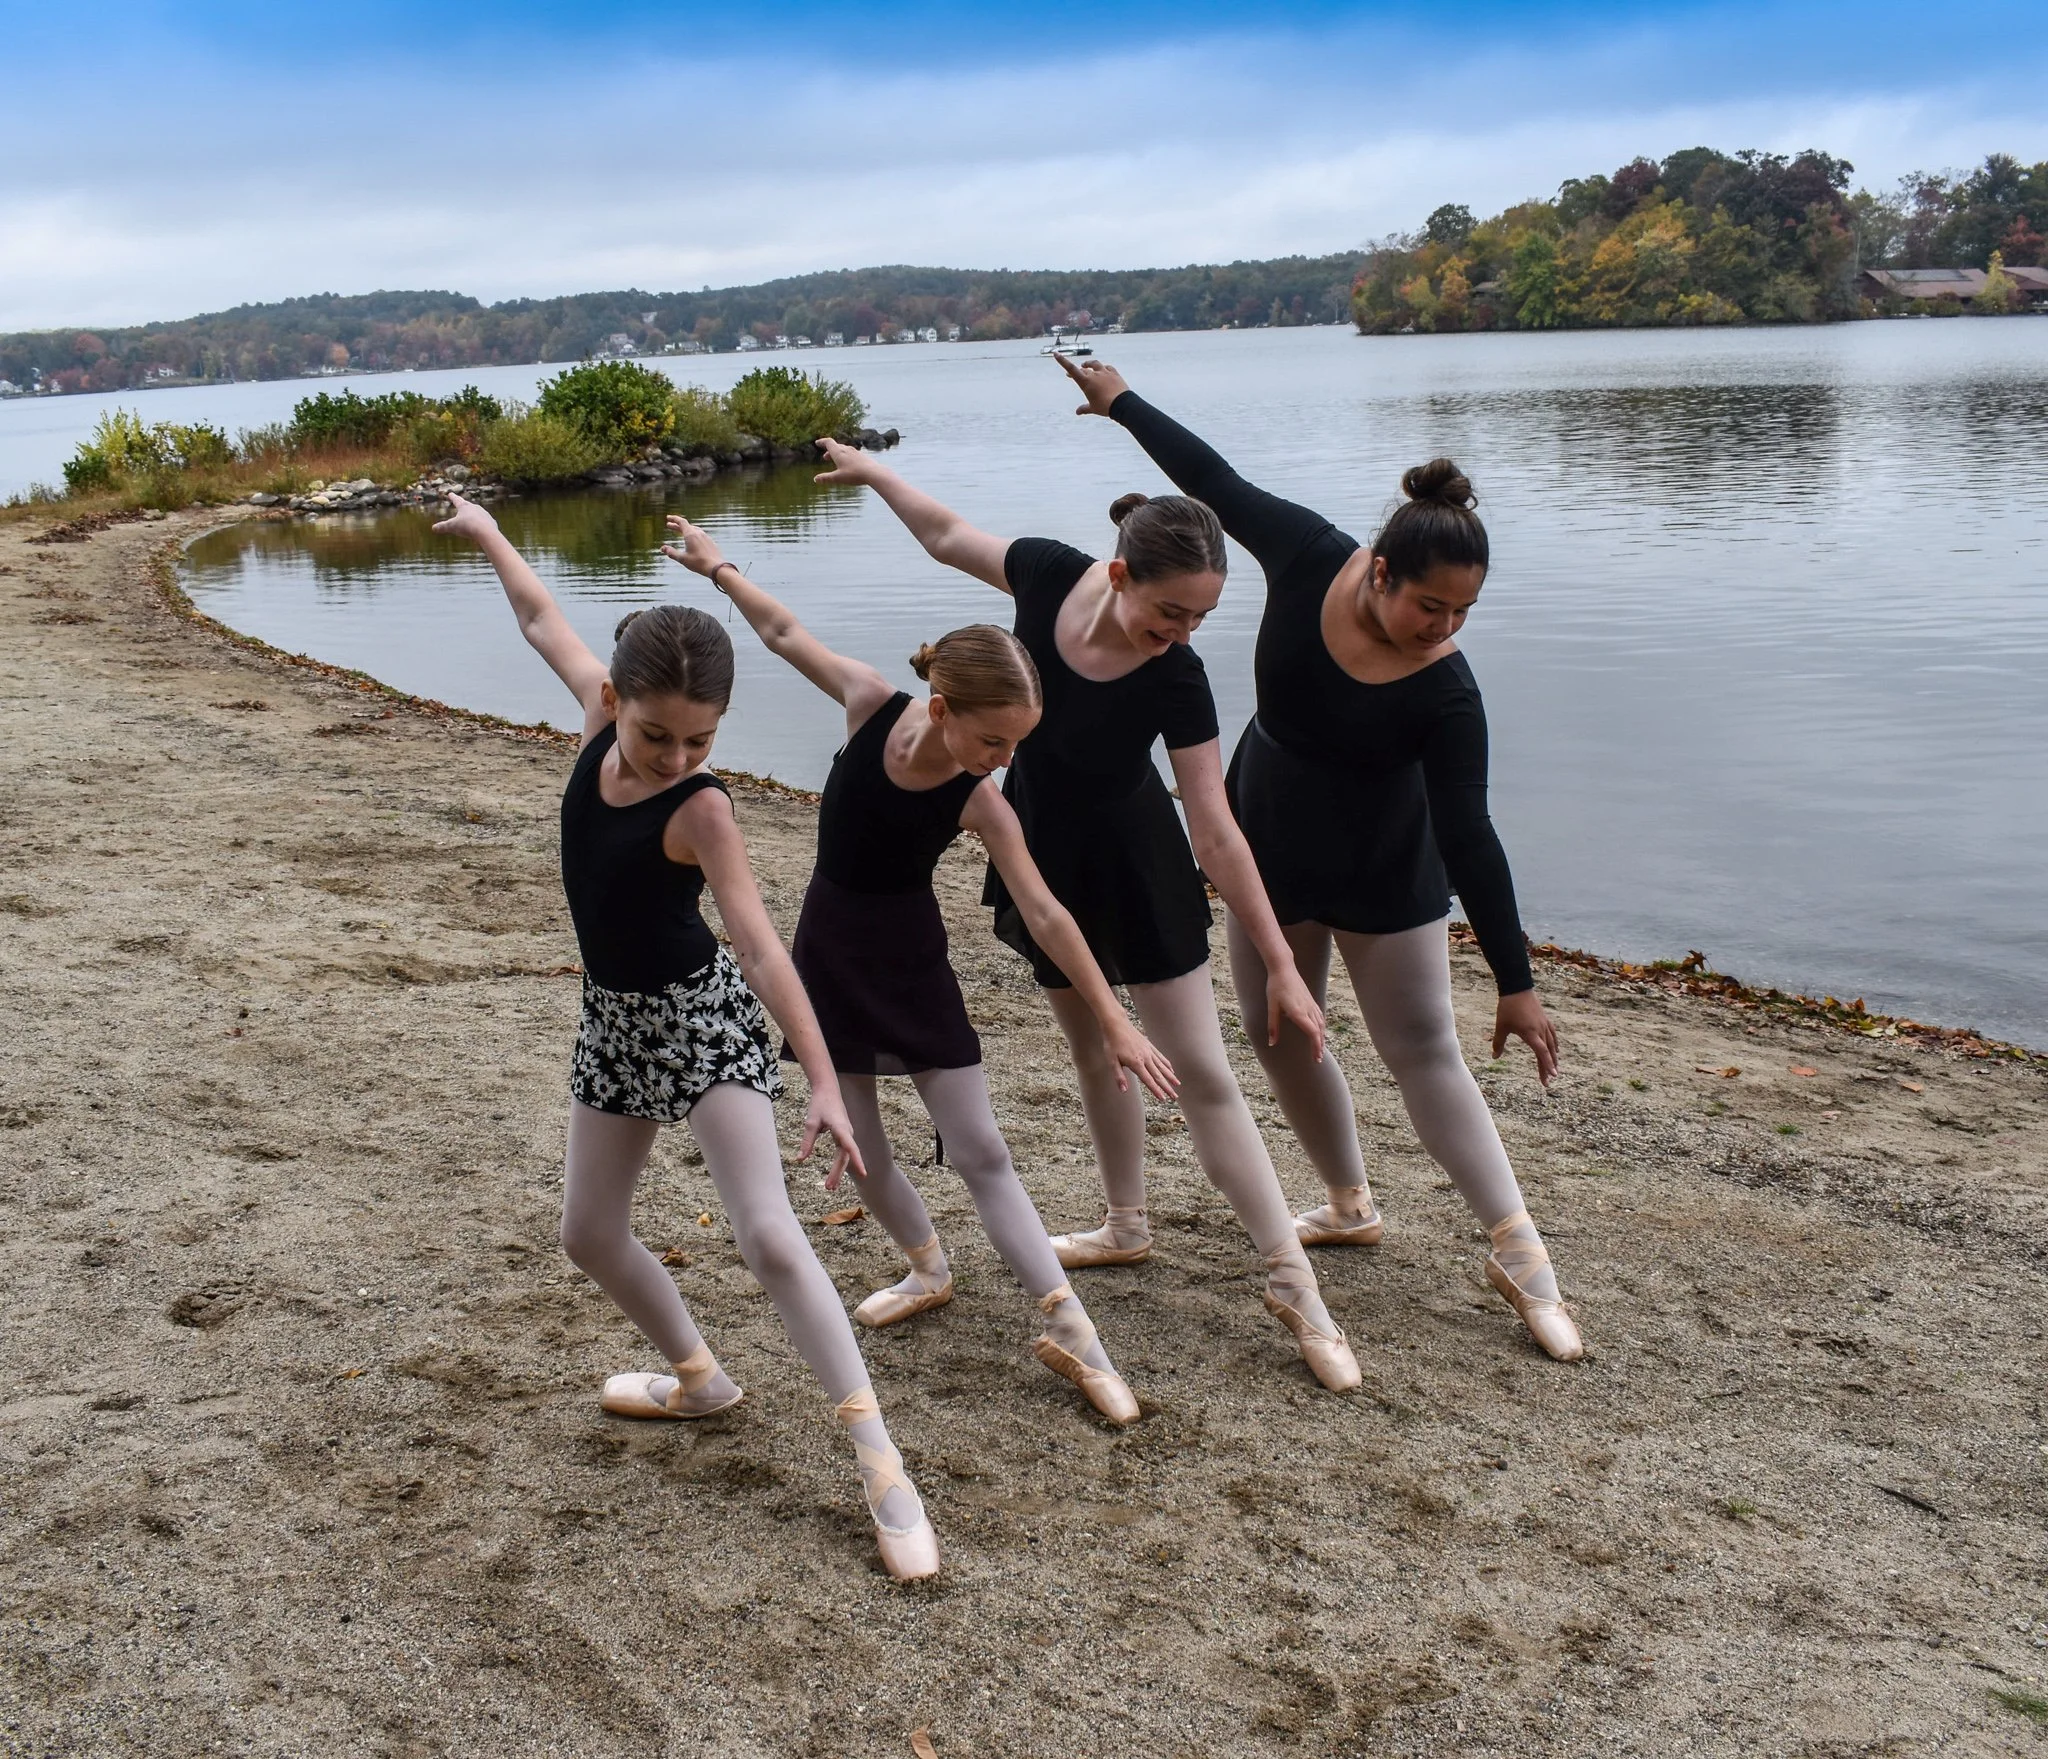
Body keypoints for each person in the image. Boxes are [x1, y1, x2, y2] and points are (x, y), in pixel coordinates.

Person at [433, 491, 940, 1581]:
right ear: (612, 700)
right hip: (615, 1023)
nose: (674, 755)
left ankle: (882, 1464)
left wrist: (820, 1078)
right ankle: (699, 1378)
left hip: (703, 1022)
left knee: (768, 1234)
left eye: (699, 739)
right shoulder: (592, 724)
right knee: (587, 1233)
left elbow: (757, 945)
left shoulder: (701, 806)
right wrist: (486, 531)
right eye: (655, 734)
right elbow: (540, 618)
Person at [1056, 353, 1583, 1362]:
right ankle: (1347, 1203)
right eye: (1429, 606)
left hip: (1387, 859)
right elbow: (1211, 478)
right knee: (1276, 1029)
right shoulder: (1307, 553)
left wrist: (1515, 983)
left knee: (1420, 1047)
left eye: (1463, 613)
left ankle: (1522, 1254)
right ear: (1379, 570)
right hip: (1271, 831)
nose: (1444, 628)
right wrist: (1119, 402)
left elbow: (1470, 834)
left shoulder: (1447, 693)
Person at [809, 441, 1360, 1394]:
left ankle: (1296, 1286)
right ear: (1118, 575)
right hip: (1041, 859)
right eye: (1170, 610)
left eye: (1200, 616)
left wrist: (1277, 959)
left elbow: (1215, 827)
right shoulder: (1048, 574)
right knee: (1097, 1051)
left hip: (1140, 867)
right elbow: (946, 536)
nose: (1181, 632)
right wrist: (875, 473)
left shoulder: (1177, 676)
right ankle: (1124, 1223)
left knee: (1201, 1073)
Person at [660, 516, 1177, 1425]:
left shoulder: (981, 800)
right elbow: (782, 631)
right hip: (828, 952)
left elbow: (1047, 912)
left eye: (1016, 747)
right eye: (995, 742)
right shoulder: (869, 703)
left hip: (912, 959)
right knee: (858, 1145)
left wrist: (1114, 1019)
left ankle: (1075, 1332)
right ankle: (927, 1265)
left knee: (982, 1149)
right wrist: (719, 568)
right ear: (943, 709)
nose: (1005, 762)